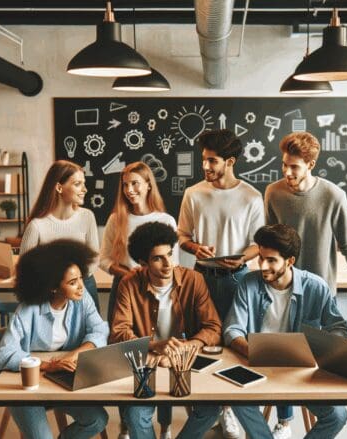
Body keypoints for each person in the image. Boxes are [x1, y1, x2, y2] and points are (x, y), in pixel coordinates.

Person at [263, 131, 347, 437]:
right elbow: (269, 244)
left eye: (295, 167)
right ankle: (284, 422)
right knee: (282, 358)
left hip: (319, 295)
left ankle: (324, 413)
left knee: (316, 363)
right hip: (282, 292)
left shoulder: (333, 195)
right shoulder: (273, 193)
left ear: (311, 164)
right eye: (284, 165)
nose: (287, 172)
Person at [219, 224, 347, 439]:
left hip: (300, 372)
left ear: (290, 261)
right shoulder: (248, 283)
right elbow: (232, 329)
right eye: (261, 258)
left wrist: (320, 353)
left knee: (338, 415)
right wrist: (253, 352)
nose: (263, 265)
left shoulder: (315, 286)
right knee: (239, 401)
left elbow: (338, 328)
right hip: (257, 366)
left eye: (271, 260)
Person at [177, 128, 265, 438]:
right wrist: (194, 248)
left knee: (233, 346)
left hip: (237, 279)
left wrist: (242, 258)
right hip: (200, 278)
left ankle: (228, 409)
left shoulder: (252, 197)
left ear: (230, 161)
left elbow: (258, 244)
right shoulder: (194, 194)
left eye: (212, 161)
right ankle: (207, 408)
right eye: (203, 160)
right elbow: (183, 236)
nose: (205, 167)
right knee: (201, 346)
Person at [107, 222, 230, 439]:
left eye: (170, 255)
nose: (168, 264)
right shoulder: (129, 283)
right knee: (135, 415)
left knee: (210, 409)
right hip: (148, 361)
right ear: (143, 262)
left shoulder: (194, 279)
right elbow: (119, 332)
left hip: (184, 361)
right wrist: (154, 345)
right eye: (158, 258)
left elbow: (213, 327)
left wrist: (188, 346)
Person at [0, 239, 109, 439]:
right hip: (27, 385)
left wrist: (73, 355)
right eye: (72, 283)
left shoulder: (82, 299)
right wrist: (47, 366)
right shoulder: (29, 309)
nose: (81, 286)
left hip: (60, 381)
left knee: (98, 419)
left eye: (81, 278)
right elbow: (1, 356)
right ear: (53, 287)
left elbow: (100, 330)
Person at [100, 162, 180, 439]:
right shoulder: (116, 219)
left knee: (162, 354)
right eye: (125, 184)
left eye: (135, 183)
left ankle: (165, 424)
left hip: (161, 294)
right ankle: (126, 422)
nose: (130, 190)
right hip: (124, 290)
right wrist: (129, 274)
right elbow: (104, 260)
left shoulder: (166, 220)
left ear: (148, 185)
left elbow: (174, 264)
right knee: (129, 353)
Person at [21, 160, 101, 310]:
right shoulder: (37, 226)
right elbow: (25, 269)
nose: (84, 189)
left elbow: (94, 259)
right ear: (59, 187)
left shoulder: (87, 217)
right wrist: (59, 287)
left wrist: (72, 282)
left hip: (83, 285)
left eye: (84, 183)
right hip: (49, 291)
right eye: (77, 184)